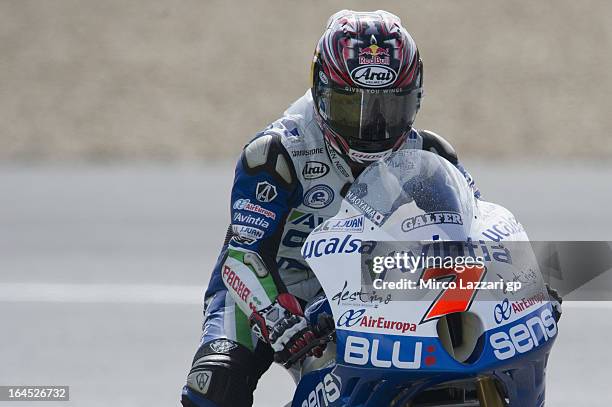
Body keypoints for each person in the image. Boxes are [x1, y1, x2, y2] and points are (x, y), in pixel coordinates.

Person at [181, 10, 479, 407]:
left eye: (388, 109)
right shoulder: (276, 151)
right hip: (267, 289)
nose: (370, 127)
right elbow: (242, 255)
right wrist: (276, 318)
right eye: (348, 107)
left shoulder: (430, 153)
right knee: (216, 381)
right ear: (320, 91)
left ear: (416, 96)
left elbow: (479, 230)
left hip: (357, 291)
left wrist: (530, 282)